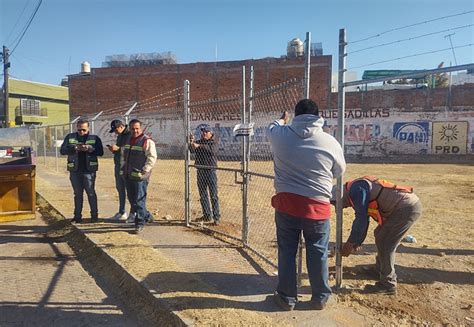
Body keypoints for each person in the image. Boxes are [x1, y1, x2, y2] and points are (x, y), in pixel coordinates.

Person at [267, 99, 346, 311]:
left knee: (287, 251)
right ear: (318, 116)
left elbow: (271, 126)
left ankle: (286, 298)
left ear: (295, 115)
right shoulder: (330, 142)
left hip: (287, 205)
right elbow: (339, 170)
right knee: (318, 252)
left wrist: (283, 120)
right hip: (317, 207)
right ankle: (320, 297)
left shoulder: (280, 135)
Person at [334, 176, 422, 295]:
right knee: (380, 234)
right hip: (402, 207)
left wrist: (351, 242)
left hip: (406, 208)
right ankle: (380, 269)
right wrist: (357, 242)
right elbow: (364, 217)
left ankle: (388, 284)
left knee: (386, 243)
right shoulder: (354, 189)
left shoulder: (356, 189)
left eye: (336, 204)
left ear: (340, 195)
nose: (340, 207)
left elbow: (362, 218)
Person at [60, 119, 104, 223]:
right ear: (77, 128)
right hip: (75, 170)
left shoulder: (95, 138)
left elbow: (100, 152)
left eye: (84, 130)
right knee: (77, 194)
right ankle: (77, 217)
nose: (81, 132)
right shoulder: (70, 137)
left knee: (91, 193)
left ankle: (94, 216)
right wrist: (74, 148)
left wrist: (89, 148)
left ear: (88, 128)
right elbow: (62, 150)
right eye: (79, 130)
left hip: (89, 171)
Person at [121, 119, 157, 233]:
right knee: (132, 200)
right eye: (132, 128)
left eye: (137, 128)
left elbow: (152, 157)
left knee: (139, 199)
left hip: (140, 176)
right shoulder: (127, 140)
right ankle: (147, 216)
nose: (135, 131)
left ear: (141, 128)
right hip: (128, 175)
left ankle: (140, 223)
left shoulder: (146, 141)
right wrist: (123, 169)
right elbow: (124, 156)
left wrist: (144, 171)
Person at [189, 126, 221, 225]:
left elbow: (212, 151)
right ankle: (207, 215)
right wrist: (191, 142)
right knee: (203, 195)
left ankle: (216, 217)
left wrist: (199, 146)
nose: (204, 133)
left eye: (206, 132)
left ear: (211, 133)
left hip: (210, 171)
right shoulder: (199, 141)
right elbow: (192, 150)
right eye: (203, 132)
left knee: (213, 195)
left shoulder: (214, 142)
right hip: (201, 170)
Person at [106, 118, 131, 221]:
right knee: (120, 189)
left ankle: (134, 213)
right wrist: (114, 150)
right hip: (118, 164)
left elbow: (130, 149)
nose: (115, 133)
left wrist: (119, 149)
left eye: (116, 130)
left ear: (121, 126)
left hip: (127, 166)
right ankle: (122, 211)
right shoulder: (120, 135)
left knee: (130, 191)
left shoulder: (130, 134)